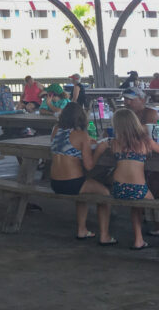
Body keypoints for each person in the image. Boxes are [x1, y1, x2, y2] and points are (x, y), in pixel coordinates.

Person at [96, 107, 159, 250]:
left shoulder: (114, 143)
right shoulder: (145, 142)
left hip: (118, 188)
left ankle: (139, 240)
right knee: (156, 210)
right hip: (139, 189)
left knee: (136, 207)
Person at [48, 102, 115, 243]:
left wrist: (85, 143)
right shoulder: (82, 135)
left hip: (55, 183)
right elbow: (89, 166)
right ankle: (105, 235)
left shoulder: (55, 129)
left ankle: (82, 230)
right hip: (73, 184)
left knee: (84, 191)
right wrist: (99, 150)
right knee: (105, 194)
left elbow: (67, 145)